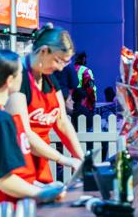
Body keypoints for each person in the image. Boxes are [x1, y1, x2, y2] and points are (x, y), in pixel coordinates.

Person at [0, 49, 63, 216]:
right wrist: (41, 193)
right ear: (9, 80)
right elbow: (2, 180)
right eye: (20, 73)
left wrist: (41, 186)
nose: (24, 76)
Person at [11, 23, 84, 183]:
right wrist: (64, 160)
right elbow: (25, 134)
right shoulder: (17, 77)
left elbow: (62, 122)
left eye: (65, 63)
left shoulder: (48, 78)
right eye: (58, 61)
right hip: (17, 163)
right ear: (44, 51)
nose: (60, 68)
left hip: (41, 158)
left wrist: (82, 159)